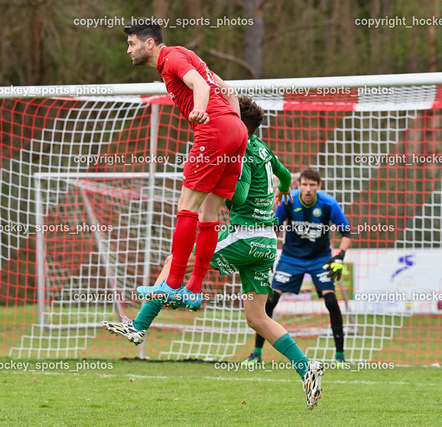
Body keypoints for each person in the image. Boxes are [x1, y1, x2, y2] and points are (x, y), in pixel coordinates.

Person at [102, 96, 325, 409]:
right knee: (257, 317)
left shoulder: (242, 149)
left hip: (244, 237)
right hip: (265, 244)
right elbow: (287, 177)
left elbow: (241, 190)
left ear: (236, 120)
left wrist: (212, 185)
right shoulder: (262, 146)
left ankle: (139, 326)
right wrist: (280, 194)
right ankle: (306, 367)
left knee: (174, 260)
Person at [123, 19, 248, 307]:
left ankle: (173, 283)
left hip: (214, 129)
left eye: (132, 43)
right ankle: (193, 289)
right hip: (235, 129)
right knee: (209, 215)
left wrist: (201, 112)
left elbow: (199, 85)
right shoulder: (185, 54)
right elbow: (228, 91)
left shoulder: (171, 59)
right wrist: (237, 133)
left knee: (187, 208)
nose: (128, 50)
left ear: (149, 43)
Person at [242, 168, 352, 367]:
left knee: (331, 302)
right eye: (304, 184)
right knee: (270, 301)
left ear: (319, 186)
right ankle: (256, 353)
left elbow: (346, 232)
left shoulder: (329, 203)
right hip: (291, 258)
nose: (308, 189)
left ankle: (340, 357)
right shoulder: (289, 200)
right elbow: (274, 228)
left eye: (312, 185)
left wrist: (340, 257)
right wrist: (264, 254)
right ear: (298, 185)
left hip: (320, 259)